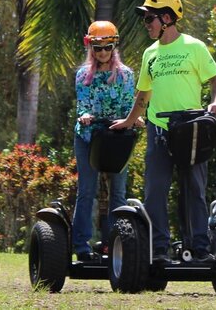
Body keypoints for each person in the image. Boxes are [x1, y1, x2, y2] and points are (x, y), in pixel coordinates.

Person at [111, 0, 216, 263]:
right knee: (155, 190)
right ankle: (159, 249)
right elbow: (143, 95)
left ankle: (200, 249)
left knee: (195, 190)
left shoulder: (194, 47)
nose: (146, 24)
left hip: (191, 130)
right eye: (145, 19)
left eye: (149, 18)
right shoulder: (150, 54)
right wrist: (128, 121)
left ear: (166, 18)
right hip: (159, 130)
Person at [72, 21, 140, 261]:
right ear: (90, 47)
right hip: (89, 137)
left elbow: (127, 105)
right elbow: (84, 104)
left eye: (107, 48)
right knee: (86, 191)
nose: (102, 53)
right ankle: (81, 245)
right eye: (98, 48)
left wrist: (134, 118)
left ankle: (116, 244)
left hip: (117, 137)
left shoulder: (125, 75)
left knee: (118, 193)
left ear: (114, 47)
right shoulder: (83, 75)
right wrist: (86, 115)